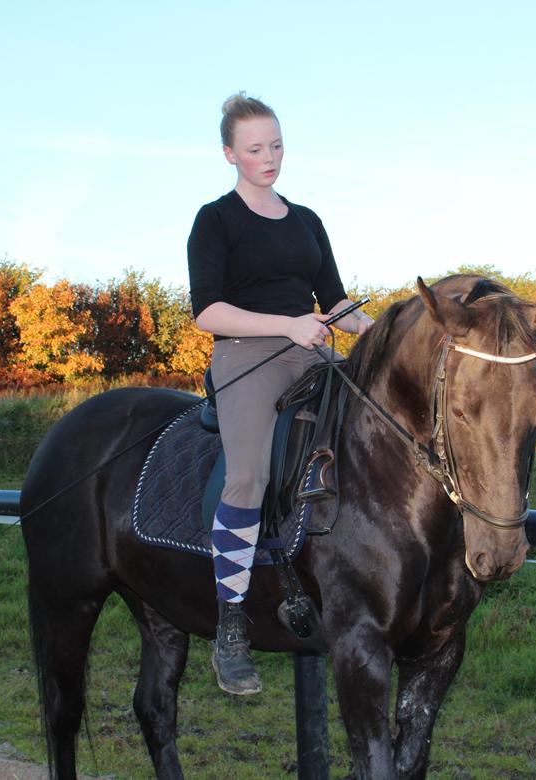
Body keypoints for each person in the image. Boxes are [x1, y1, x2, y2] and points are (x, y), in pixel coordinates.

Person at [187, 93, 373, 695]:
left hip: (312, 350)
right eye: (255, 148)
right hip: (249, 356)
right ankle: (231, 623)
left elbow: (335, 300)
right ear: (229, 154)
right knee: (247, 475)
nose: (269, 157)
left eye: (277, 145)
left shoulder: (307, 220)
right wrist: (289, 324)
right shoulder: (215, 220)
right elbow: (207, 312)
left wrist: (375, 328)